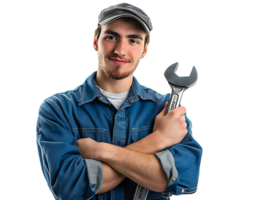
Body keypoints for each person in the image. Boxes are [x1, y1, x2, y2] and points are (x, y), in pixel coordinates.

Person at [35, 2, 202, 200]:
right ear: (95, 42)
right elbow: (69, 186)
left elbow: (184, 178)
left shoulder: (167, 111)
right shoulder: (58, 109)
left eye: (133, 40)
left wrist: (101, 151)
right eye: (111, 37)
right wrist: (158, 140)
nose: (120, 50)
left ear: (144, 51)